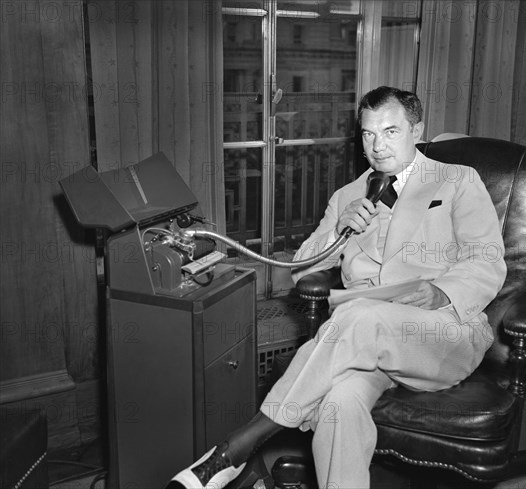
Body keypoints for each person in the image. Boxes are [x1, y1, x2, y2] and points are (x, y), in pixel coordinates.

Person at [165, 86, 507, 489]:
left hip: (441, 333)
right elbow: (299, 270)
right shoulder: (348, 195)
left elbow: (486, 259)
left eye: (391, 131)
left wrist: (442, 292)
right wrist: (339, 228)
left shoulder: (456, 180)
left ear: (417, 130)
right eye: (368, 134)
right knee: (338, 405)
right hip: (362, 348)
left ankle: (241, 444)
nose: (377, 146)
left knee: (359, 315)